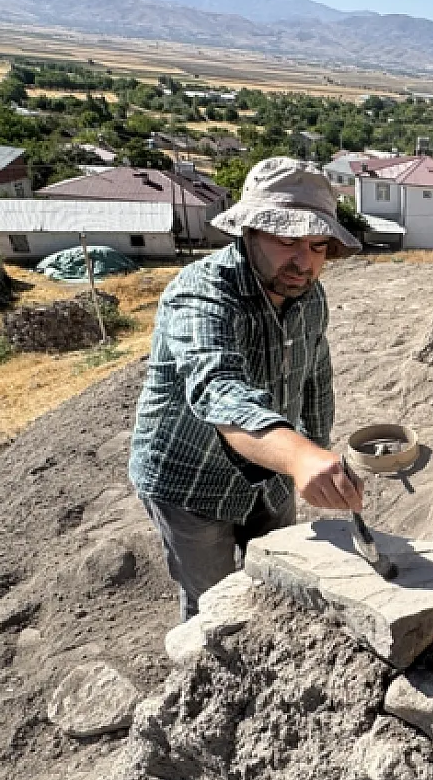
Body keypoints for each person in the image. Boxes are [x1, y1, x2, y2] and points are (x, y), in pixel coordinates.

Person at [129, 156, 365, 620]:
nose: (304, 261)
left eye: (318, 246)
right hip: (190, 484)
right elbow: (219, 389)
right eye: (287, 241)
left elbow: (316, 374)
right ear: (249, 232)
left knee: (275, 590)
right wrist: (298, 457)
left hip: (272, 482)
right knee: (213, 608)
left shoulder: (308, 294)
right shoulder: (200, 294)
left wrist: (315, 452)